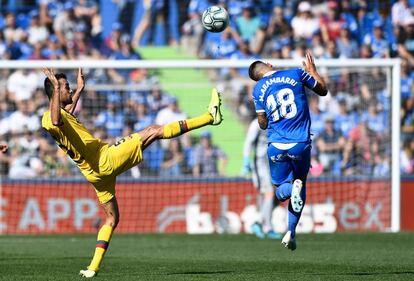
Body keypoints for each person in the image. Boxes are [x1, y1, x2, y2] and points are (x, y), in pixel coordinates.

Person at [41, 68, 223, 278]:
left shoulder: (61, 115)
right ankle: (210, 117)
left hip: (94, 173)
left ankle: (93, 268)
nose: (69, 88)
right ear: (54, 92)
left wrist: (80, 88)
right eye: (65, 87)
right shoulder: (49, 117)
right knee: (153, 131)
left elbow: (64, 116)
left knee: (111, 219)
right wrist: (56, 86)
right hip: (104, 159)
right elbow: (55, 119)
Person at [248, 51, 327, 250]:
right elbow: (323, 91)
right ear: (269, 64)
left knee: (281, 191)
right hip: (300, 143)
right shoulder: (296, 74)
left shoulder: (257, 90)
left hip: (276, 147)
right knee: (301, 182)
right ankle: (291, 230)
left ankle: (292, 191)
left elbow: (263, 124)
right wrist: (313, 72)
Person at [243, 118, 281, 239]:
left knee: (276, 196)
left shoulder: (276, 122)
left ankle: (263, 224)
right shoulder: (256, 124)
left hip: (272, 163)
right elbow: (248, 142)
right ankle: (263, 225)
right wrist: (246, 161)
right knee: (269, 194)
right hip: (260, 164)